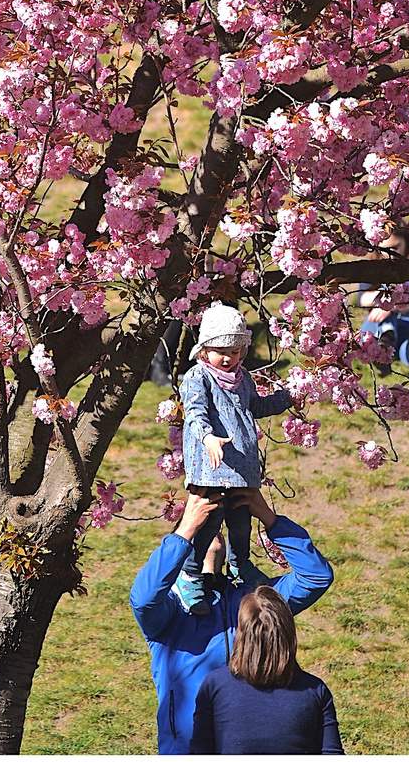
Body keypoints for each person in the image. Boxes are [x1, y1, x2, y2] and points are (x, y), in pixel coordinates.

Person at [130, 488, 334, 755]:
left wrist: (268, 517)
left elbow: (316, 577)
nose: (214, 530)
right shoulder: (170, 611)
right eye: (204, 526)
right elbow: (143, 599)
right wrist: (187, 528)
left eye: (217, 527)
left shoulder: (255, 604)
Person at [176, 303, 293, 613]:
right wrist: (207, 438)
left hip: (241, 466)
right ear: (204, 350)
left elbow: (254, 407)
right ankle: (189, 574)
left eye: (235, 350)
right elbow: (195, 412)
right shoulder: (197, 377)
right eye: (219, 350)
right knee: (209, 520)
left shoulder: (243, 379)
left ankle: (241, 565)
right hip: (211, 468)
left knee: (240, 519)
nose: (227, 358)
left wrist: (286, 398)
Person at [189, 585, 344, 754]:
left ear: (242, 635)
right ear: (288, 635)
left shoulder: (214, 685)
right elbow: (332, 753)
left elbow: (199, 751)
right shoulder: (315, 690)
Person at [358, 225, 409, 378]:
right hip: (375, 325)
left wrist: (391, 306)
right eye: (386, 250)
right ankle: (383, 343)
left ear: (407, 242)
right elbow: (362, 299)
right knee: (381, 323)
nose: (391, 254)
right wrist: (383, 302)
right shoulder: (373, 268)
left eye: (395, 247)